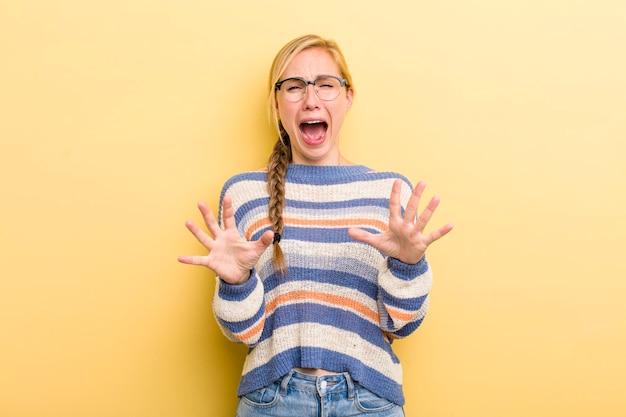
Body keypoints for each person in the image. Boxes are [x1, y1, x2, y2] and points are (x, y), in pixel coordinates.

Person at [178, 34, 453, 417]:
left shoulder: (387, 193)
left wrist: (408, 265)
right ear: (277, 103)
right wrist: (236, 282)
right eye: (294, 87)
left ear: (348, 97)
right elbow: (246, 334)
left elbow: (401, 325)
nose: (311, 99)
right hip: (271, 402)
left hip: (368, 402)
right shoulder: (244, 195)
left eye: (326, 85)